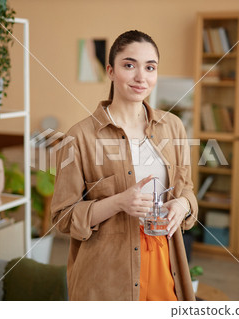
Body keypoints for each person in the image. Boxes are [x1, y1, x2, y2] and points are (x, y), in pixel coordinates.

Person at [51, 30, 198, 301]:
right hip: (105, 277)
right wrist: (119, 203)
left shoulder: (173, 127)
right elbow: (63, 217)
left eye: (150, 67)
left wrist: (182, 205)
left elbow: (186, 188)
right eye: (129, 65)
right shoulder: (80, 136)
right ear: (110, 71)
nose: (141, 77)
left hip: (165, 263)